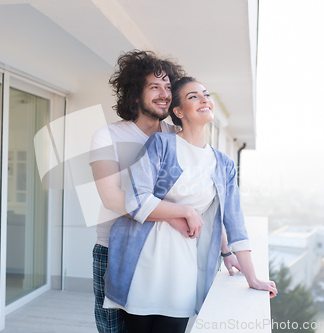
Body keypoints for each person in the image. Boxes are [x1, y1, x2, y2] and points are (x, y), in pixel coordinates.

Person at [104, 77, 277, 333]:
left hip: (183, 269)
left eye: (206, 94)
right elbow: (137, 199)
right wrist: (184, 211)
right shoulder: (162, 145)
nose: (204, 99)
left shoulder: (223, 164)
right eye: (193, 96)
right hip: (143, 262)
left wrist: (250, 276)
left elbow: (234, 220)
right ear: (178, 111)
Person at [89, 51, 241, 333]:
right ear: (135, 94)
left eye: (169, 87)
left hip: (164, 255)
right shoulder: (108, 136)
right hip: (113, 250)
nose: (164, 94)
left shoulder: (176, 137)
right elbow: (111, 198)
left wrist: (226, 250)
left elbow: (207, 200)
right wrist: (175, 214)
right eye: (154, 87)